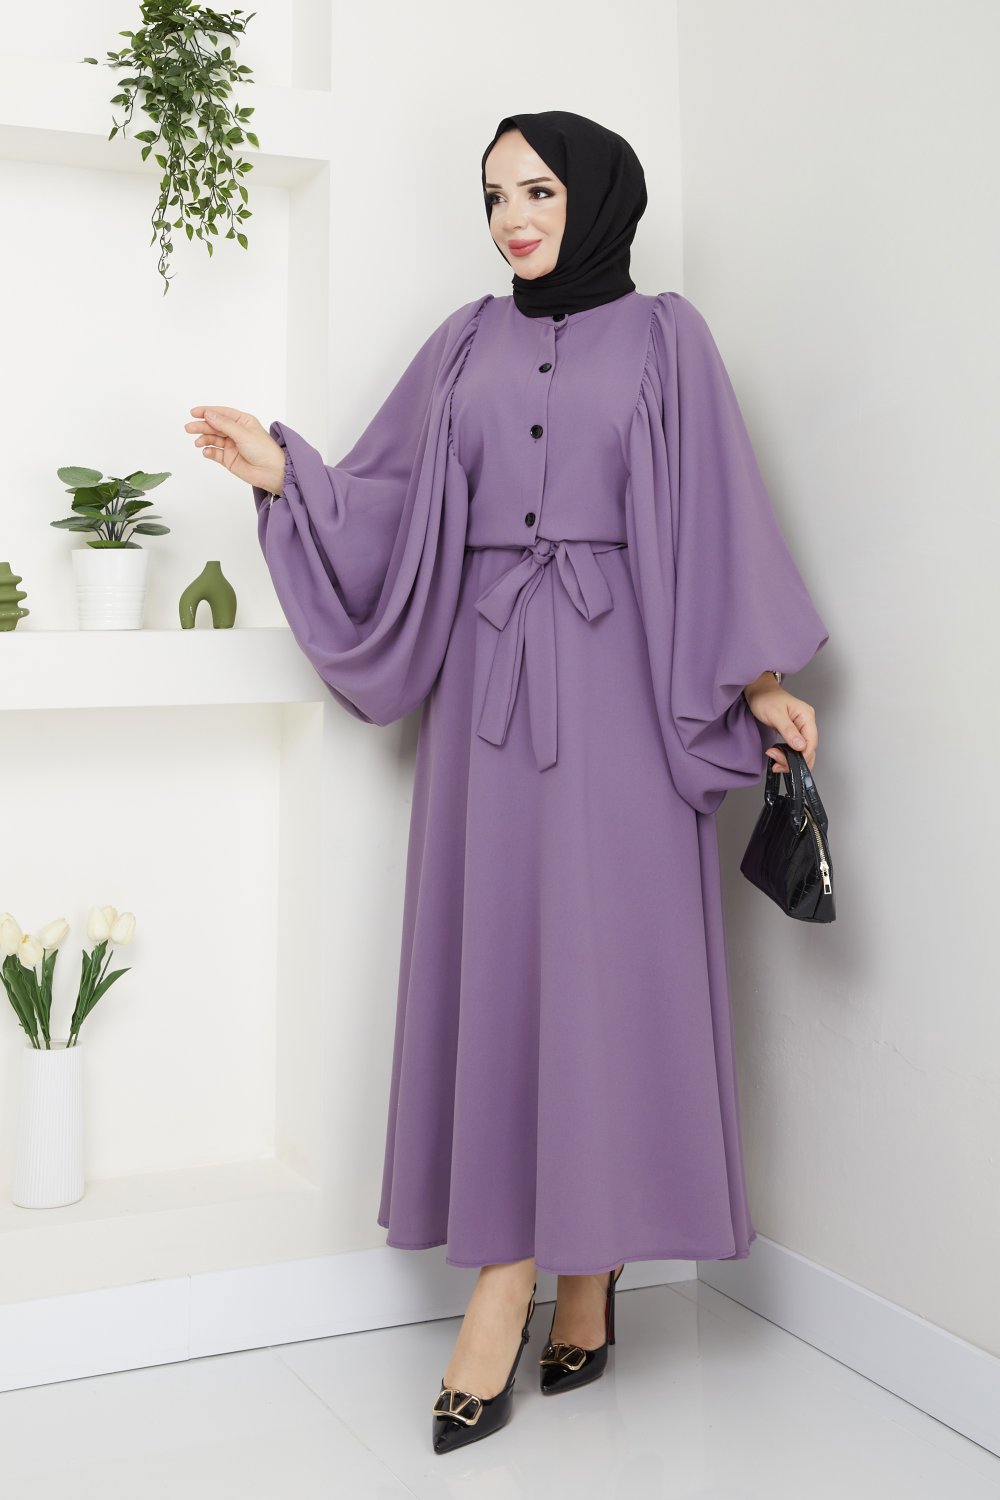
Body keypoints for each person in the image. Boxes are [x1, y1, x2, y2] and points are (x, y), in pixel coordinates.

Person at [184, 109, 828, 1454]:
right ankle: (541, 1277)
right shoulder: (465, 341)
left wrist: (761, 683)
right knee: (504, 972)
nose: (514, 219)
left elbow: (715, 514)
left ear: (595, 197)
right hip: (488, 695)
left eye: (538, 190)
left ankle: (544, 1282)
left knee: (608, 973)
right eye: (493, 198)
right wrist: (287, 474)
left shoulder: (668, 339)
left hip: (625, 690)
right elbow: (388, 493)